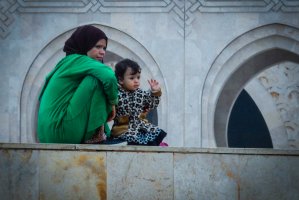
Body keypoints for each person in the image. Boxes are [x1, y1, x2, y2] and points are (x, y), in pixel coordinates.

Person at [37, 25, 125, 145]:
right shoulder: (76, 60)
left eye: (104, 48)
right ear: (84, 44)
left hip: (46, 135)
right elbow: (109, 76)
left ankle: (104, 136)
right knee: (95, 80)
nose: (102, 52)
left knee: (96, 78)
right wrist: (113, 102)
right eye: (98, 47)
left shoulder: (68, 63)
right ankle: (98, 138)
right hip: (61, 131)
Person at [111, 58, 168, 146]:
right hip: (123, 129)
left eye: (138, 77)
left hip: (141, 126)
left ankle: (158, 144)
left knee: (155, 132)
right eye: (132, 78)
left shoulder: (141, 93)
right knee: (133, 138)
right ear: (121, 80)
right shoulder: (116, 94)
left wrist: (155, 93)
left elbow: (152, 104)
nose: (136, 81)